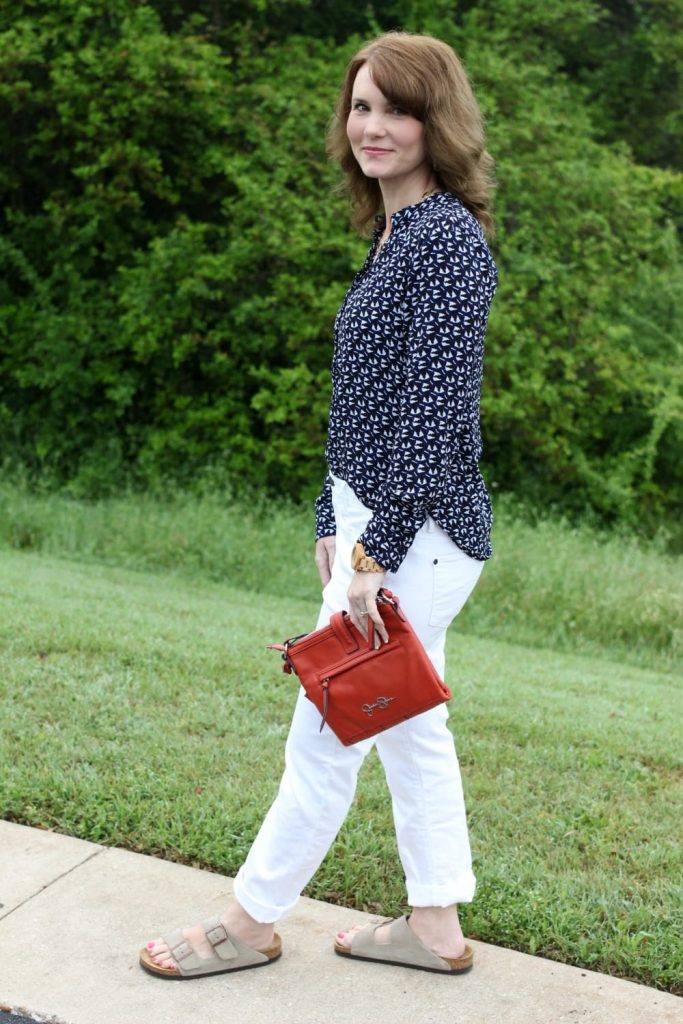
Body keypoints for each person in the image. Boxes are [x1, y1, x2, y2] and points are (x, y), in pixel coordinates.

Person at [139, 29, 497, 980]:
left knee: (330, 723)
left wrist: (371, 558)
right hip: (376, 525)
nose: (372, 124)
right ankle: (432, 926)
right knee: (411, 730)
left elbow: (434, 420)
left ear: (437, 120)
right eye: (361, 104)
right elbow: (362, 402)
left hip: (414, 536)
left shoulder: (449, 242)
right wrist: (327, 521)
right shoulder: (396, 233)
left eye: (396, 107)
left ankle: (250, 923)